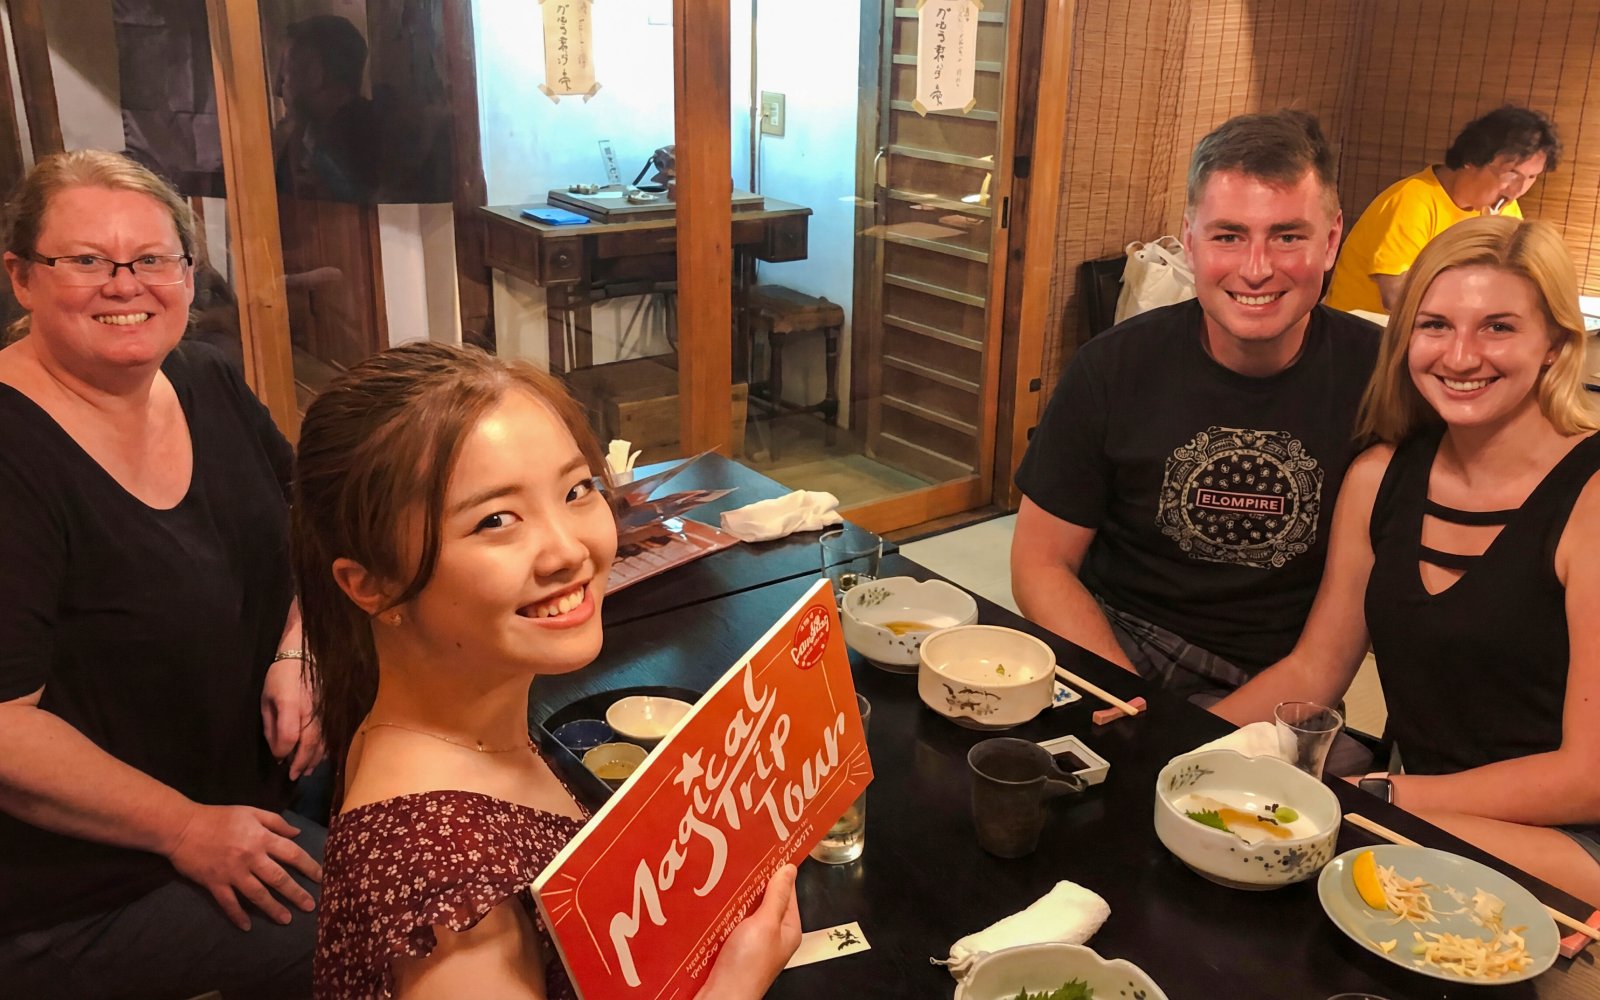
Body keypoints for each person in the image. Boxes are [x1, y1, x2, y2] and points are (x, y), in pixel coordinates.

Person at [294, 342, 801, 998]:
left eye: (576, 489)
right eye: (496, 520)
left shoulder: (445, 722)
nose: (568, 549)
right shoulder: (451, 886)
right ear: (372, 585)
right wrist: (735, 985)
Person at [0, 151, 325, 996]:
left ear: (186, 273)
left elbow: (311, 522)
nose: (124, 285)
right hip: (80, 881)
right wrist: (184, 829)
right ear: (20, 278)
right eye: (85, 261)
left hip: (246, 784)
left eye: (151, 260)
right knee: (389, 914)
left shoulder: (202, 375)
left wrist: (300, 649)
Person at [1215, 216, 1600, 908]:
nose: (1460, 356)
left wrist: (1392, 795)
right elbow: (1315, 667)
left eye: (1499, 327)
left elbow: (1589, 774)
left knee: (1325, 845)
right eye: (1435, 326)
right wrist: (1189, 747)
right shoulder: (1379, 477)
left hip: (1572, 837)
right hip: (1417, 801)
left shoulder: (1592, 498)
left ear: (1555, 345)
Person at [1011, 111, 1380, 705]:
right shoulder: (1113, 366)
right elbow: (1041, 564)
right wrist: (1127, 702)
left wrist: (1188, 742)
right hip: (1116, 646)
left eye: (1288, 236)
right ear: (1190, 239)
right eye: (1228, 235)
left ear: (1332, 239)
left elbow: (1326, 660)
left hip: (1277, 684)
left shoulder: (1383, 383)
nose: (1256, 269)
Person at [1325, 105, 1560, 315]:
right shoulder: (1414, 200)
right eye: (1511, 174)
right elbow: (1394, 296)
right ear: (1472, 158)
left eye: (1532, 177)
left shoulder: (1505, 210)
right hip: (1364, 333)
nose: (1519, 189)